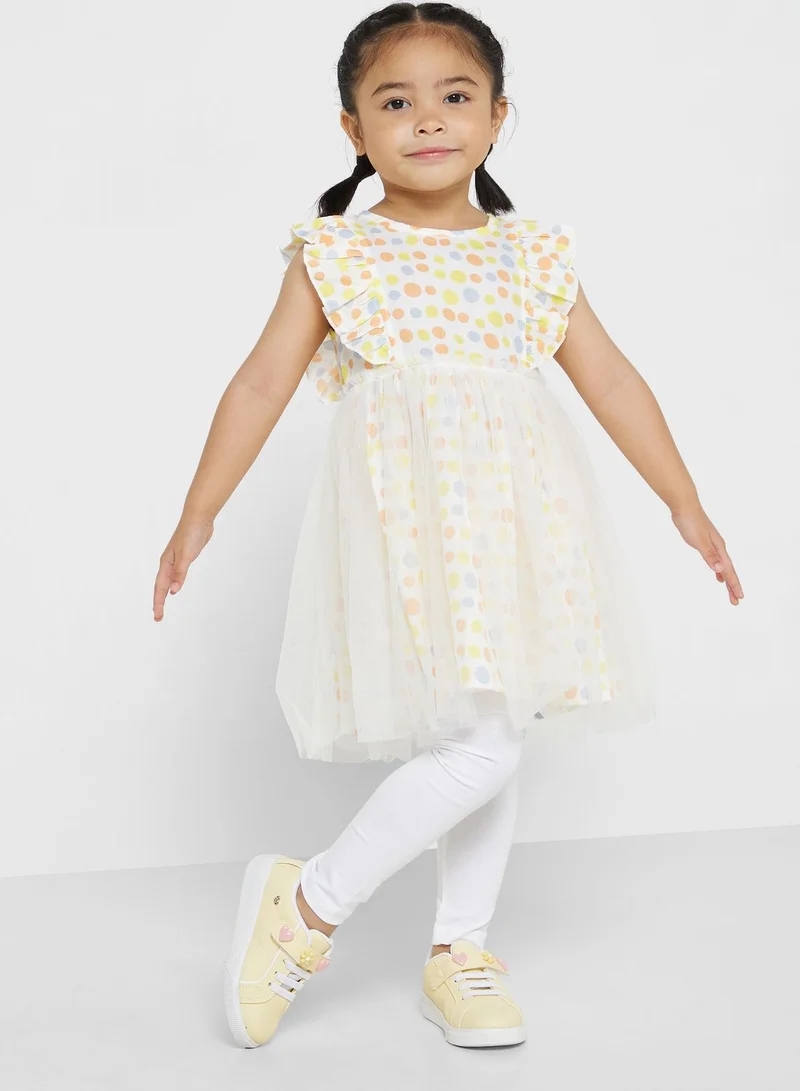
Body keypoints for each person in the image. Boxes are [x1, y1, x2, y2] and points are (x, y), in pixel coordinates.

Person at [152, 1, 744, 1052]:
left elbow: (609, 379)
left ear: (498, 115)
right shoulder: (338, 252)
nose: (427, 118)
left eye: (454, 95)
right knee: (478, 742)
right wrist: (199, 510)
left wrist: (682, 499)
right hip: (404, 525)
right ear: (354, 129)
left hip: (518, 525)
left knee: (492, 729)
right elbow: (259, 384)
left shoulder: (532, 252)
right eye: (395, 101)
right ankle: (308, 903)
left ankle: (457, 948)